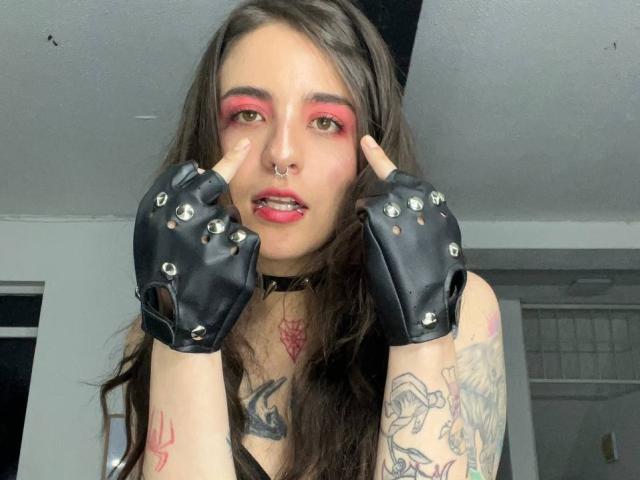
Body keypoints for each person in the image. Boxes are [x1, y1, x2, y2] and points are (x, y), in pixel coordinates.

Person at [100, 1, 507, 479]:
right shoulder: (154, 326)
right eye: (248, 114)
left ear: (369, 151)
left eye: (325, 122)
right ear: (209, 138)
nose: (282, 153)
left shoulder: (460, 307)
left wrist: (421, 335)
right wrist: (186, 336)